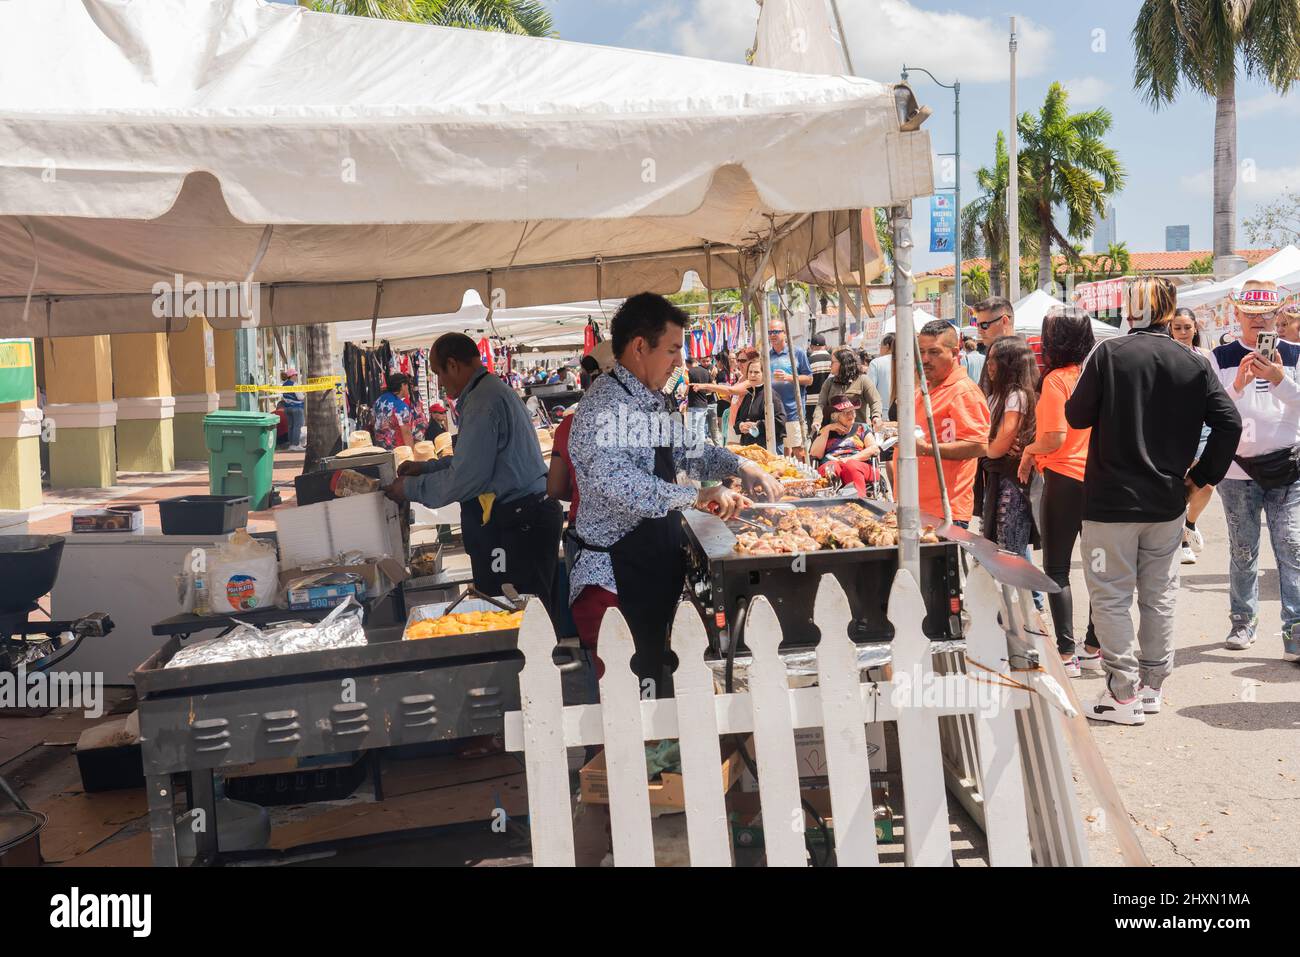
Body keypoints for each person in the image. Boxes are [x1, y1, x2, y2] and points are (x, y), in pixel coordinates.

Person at [567, 294, 783, 693]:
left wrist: (741, 466)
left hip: (647, 571)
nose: (679, 362)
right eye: (671, 350)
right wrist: (695, 497)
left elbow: (687, 451)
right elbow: (620, 486)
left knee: (660, 697)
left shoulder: (648, 399)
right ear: (638, 347)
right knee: (628, 706)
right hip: (614, 580)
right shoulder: (606, 405)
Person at [1065, 277, 1241, 725]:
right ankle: (1151, 688)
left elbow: (1076, 414)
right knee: (1159, 596)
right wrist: (1200, 478)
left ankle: (1120, 693)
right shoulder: (1192, 361)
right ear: (1170, 309)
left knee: (1110, 597)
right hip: (1166, 501)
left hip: (1109, 502)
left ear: (1131, 309)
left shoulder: (1108, 354)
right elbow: (1230, 425)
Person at [385, 334, 564, 613]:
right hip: (523, 517)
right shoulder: (488, 391)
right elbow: (476, 461)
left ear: (453, 365)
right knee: (520, 612)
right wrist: (426, 468)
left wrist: (409, 488)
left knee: (515, 615)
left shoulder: (483, 401)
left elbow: (466, 478)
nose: (440, 384)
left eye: (438, 374)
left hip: (521, 522)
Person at [1209, 280, 1300, 659]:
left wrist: (1280, 380)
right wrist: (1240, 385)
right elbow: (1212, 411)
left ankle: (1294, 631)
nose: (1259, 323)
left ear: (1277, 315)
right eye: (1251, 315)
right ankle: (1243, 621)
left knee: (1292, 547)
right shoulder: (1220, 356)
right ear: (1237, 314)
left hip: (1288, 468)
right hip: (1237, 471)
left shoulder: (1295, 353)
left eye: (1265, 315)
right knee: (1243, 550)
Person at [1017, 307, 1100, 676]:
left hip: (1064, 478)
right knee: (1101, 570)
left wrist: (1029, 450)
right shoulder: (1097, 373)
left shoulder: (1056, 381)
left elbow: (1055, 437)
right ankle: (1095, 645)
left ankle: (1068, 654)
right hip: (1099, 478)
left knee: (1057, 569)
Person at [902, 320, 991, 528]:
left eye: (934, 352)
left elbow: (980, 445)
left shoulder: (963, 391)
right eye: (922, 351)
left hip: (945, 510)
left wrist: (927, 449)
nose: (925, 359)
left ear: (954, 353)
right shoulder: (924, 388)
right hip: (916, 506)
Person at [981, 336, 1039, 557]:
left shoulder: (1016, 397)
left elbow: (997, 448)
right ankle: (1029, 593)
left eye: (995, 359)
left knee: (1010, 552)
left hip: (1012, 484)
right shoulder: (997, 397)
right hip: (997, 480)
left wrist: (983, 446)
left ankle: (1030, 593)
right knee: (1007, 550)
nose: (989, 365)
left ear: (1010, 364)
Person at [1170, 307, 1216, 564]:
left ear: (1195, 328)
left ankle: (1189, 523)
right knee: (1178, 484)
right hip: (1173, 430)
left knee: (1206, 483)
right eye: (1178, 327)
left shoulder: (1207, 357)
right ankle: (1182, 540)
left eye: (1187, 327)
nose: (1183, 332)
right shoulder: (1164, 356)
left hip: (1203, 429)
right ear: (1170, 329)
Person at [811, 394, 881, 497]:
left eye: (852, 411)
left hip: (859, 464)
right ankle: (829, 504)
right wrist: (827, 428)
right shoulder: (826, 431)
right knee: (830, 468)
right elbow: (815, 454)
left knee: (851, 465)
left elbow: (874, 449)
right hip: (833, 464)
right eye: (846, 413)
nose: (851, 415)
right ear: (835, 416)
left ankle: (858, 501)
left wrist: (850, 459)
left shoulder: (861, 428)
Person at [766, 316, 813, 456]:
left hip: (793, 412)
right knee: (782, 452)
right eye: (770, 332)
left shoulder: (796, 352)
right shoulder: (767, 356)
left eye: (776, 331)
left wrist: (788, 377)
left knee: (799, 451)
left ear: (785, 333)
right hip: (775, 413)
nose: (772, 335)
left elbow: (809, 379)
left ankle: (804, 478)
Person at [813, 348, 882, 432]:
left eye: (833, 362)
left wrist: (876, 417)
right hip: (835, 433)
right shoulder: (828, 383)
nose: (830, 365)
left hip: (858, 432)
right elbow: (821, 404)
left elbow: (875, 401)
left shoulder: (863, 380)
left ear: (843, 364)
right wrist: (817, 421)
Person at [731, 355, 785, 448]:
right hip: (748, 446)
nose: (752, 375)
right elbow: (738, 420)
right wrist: (741, 426)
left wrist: (757, 425)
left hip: (767, 447)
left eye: (756, 372)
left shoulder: (771, 395)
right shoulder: (749, 395)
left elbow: (780, 421)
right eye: (750, 372)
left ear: (764, 374)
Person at [371, 373, 416, 450]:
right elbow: (406, 434)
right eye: (407, 385)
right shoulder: (401, 406)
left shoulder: (378, 401)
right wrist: (411, 454)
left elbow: (372, 422)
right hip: (398, 452)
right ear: (402, 385)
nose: (408, 388)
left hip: (380, 450)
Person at [685, 356, 717, 444]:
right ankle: (702, 450)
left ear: (688, 364)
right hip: (704, 404)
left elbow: (687, 388)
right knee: (701, 429)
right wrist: (705, 391)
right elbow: (714, 386)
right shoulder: (706, 371)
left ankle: (694, 451)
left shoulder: (690, 371)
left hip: (694, 404)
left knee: (693, 429)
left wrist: (684, 395)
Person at [806, 334, 833, 431]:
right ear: (825, 346)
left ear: (811, 347)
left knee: (814, 431)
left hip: (811, 402)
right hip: (829, 401)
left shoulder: (808, 361)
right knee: (828, 430)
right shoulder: (833, 360)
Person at [866, 333, 894, 413]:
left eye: (880, 346)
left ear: (887, 346)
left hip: (881, 414)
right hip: (906, 415)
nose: (880, 349)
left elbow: (870, 392)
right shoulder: (908, 363)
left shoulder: (876, 363)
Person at [280, 368, 305, 451]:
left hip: (287, 408)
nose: (297, 376)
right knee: (297, 426)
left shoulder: (284, 385)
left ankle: (291, 444)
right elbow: (300, 397)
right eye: (296, 375)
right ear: (292, 376)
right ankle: (295, 444)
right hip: (297, 408)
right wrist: (304, 395)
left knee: (290, 426)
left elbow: (283, 397)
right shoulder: (295, 384)